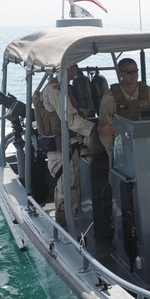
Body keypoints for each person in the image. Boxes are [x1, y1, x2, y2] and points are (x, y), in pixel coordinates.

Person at [35, 64, 115, 225]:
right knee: (68, 190)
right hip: (62, 151)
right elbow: (70, 120)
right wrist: (99, 128)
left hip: (71, 146)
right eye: (73, 66)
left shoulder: (64, 88)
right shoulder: (55, 90)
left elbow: (71, 113)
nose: (76, 70)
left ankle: (72, 223)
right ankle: (64, 230)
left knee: (72, 188)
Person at [97, 57, 150, 156]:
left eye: (135, 71)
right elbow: (106, 130)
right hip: (122, 147)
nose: (133, 75)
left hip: (149, 143)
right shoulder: (110, 97)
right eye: (129, 72)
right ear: (120, 74)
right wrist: (115, 153)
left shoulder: (149, 93)